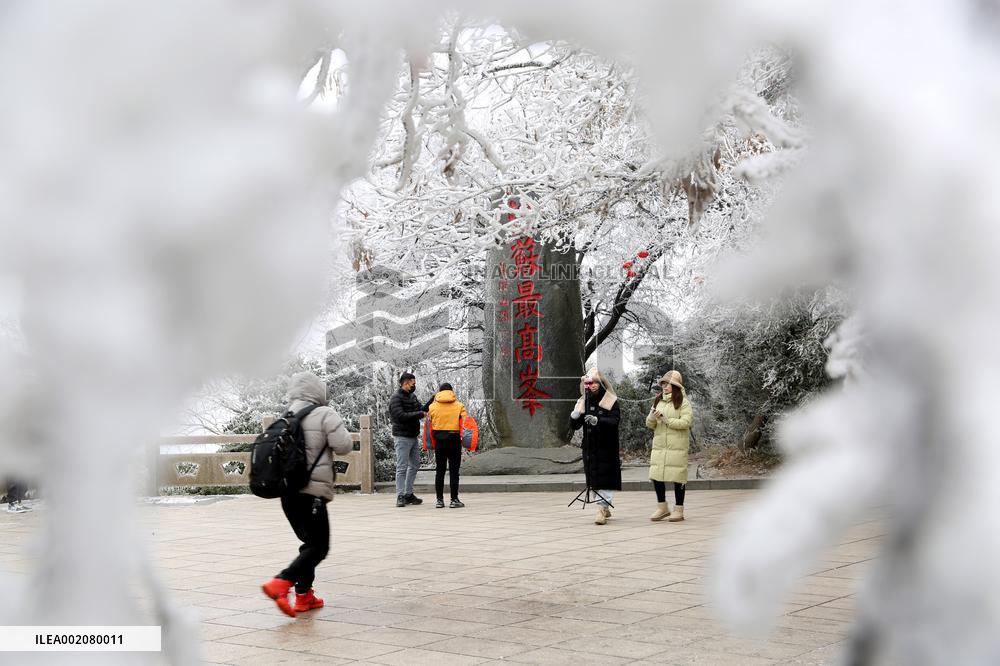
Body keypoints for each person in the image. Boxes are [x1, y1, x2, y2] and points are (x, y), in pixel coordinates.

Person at [261, 371, 352, 618]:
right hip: (311, 492)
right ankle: (282, 582)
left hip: (287, 494)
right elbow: (344, 446)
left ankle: (304, 596)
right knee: (318, 547)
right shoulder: (325, 413)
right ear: (318, 391)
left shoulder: (286, 415)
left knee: (309, 544)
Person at [570, 368, 622, 525]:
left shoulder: (610, 400)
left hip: (606, 445)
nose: (591, 386)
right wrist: (574, 417)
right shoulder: (583, 401)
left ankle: (601, 508)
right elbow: (575, 426)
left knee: (605, 477)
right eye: (588, 383)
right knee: (593, 477)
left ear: (601, 384)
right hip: (589, 446)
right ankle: (604, 506)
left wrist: (598, 421)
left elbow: (614, 421)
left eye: (594, 383)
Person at [646, 370, 694, 522]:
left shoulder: (683, 402)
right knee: (657, 476)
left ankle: (679, 509)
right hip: (660, 445)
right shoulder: (658, 400)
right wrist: (652, 417)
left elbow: (686, 423)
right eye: (663, 384)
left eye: (668, 384)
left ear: (676, 386)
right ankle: (662, 507)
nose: (665, 387)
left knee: (678, 476)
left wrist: (666, 420)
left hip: (677, 446)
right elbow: (649, 424)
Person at [426, 382, 467, 508]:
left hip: (439, 442)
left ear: (439, 392)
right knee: (454, 472)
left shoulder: (432, 407)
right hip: (454, 441)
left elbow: (428, 426)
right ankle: (454, 500)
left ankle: (439, 500)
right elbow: (465, 425)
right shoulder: (459, 406)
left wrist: (429, 443)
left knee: (440, 471)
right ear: (451, 392)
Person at [388, 372, 426, 508]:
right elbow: (400, 416)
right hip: (402, 436)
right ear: (405, 383)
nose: (414, 385)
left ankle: (408, 494)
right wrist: (420, 414)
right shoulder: (396, 398)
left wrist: (432, 401)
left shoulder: (412, 396)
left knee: (415, 465)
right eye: (413, 383)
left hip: (413, 436)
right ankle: (400, 495)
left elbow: (421, 409)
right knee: (402, 467)